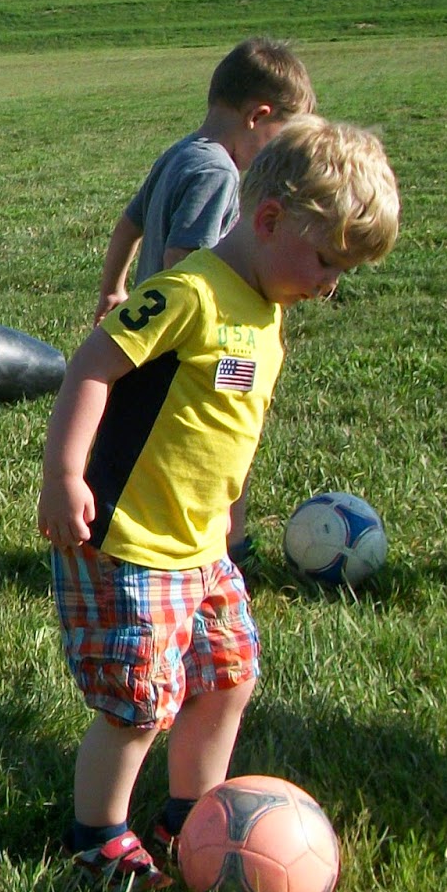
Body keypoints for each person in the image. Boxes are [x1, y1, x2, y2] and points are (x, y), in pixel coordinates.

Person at [38, 117, 399, 892]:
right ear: (269, 220)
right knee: (138, 703)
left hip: (201, 546)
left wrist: (231, 516)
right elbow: (93, 366)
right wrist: (64, 475)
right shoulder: (191, 291)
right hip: (132, 537)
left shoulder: (267, 307)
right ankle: (97, 836)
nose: (331, 284)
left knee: (228, 673)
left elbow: (229, 423)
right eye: (327, 260)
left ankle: (189, 813)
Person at [92, 37, 316, 565]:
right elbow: (184, 258)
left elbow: (128, 225)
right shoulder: (218, 171)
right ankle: (228, 547)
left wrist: (113, 288)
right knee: (224, 435)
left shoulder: (180, 152)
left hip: (152, 340)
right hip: (191, 350)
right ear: (259, 115)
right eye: (283, 141)